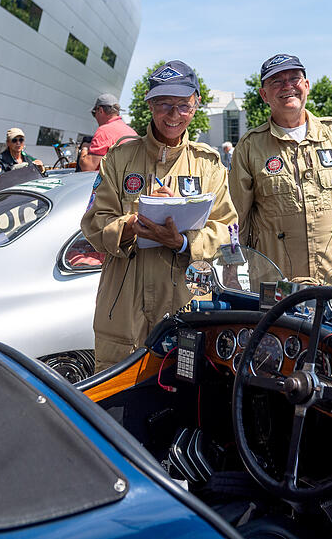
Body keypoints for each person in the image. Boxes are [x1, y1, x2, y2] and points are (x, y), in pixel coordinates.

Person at [81, 60, 237, 372]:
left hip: (188, 307)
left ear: (196, 105)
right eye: (164, 104)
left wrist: (182, 241)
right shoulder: (119, 159)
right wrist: (131, 226)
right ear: (150, 105)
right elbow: (93, 223)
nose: (174, 114)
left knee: (183, 406)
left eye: (183, 105)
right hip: (123, 313)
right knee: (119, 409)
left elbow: (229, 228)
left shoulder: (208, 164)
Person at [229, 54, 332, 289]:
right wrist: (231, 269)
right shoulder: (250, 146)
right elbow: (233, 215)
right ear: (264, 95)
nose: (287, 87)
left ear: (306, 86)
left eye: (294, 78)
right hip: (276, 285)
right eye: (276, 82)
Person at [78, 93, 137, 171]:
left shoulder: (104, 131)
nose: (95, 117)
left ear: (100, 110)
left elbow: (88, 167)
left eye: (94, 113)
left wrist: (84, 148)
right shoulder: (131, 131)